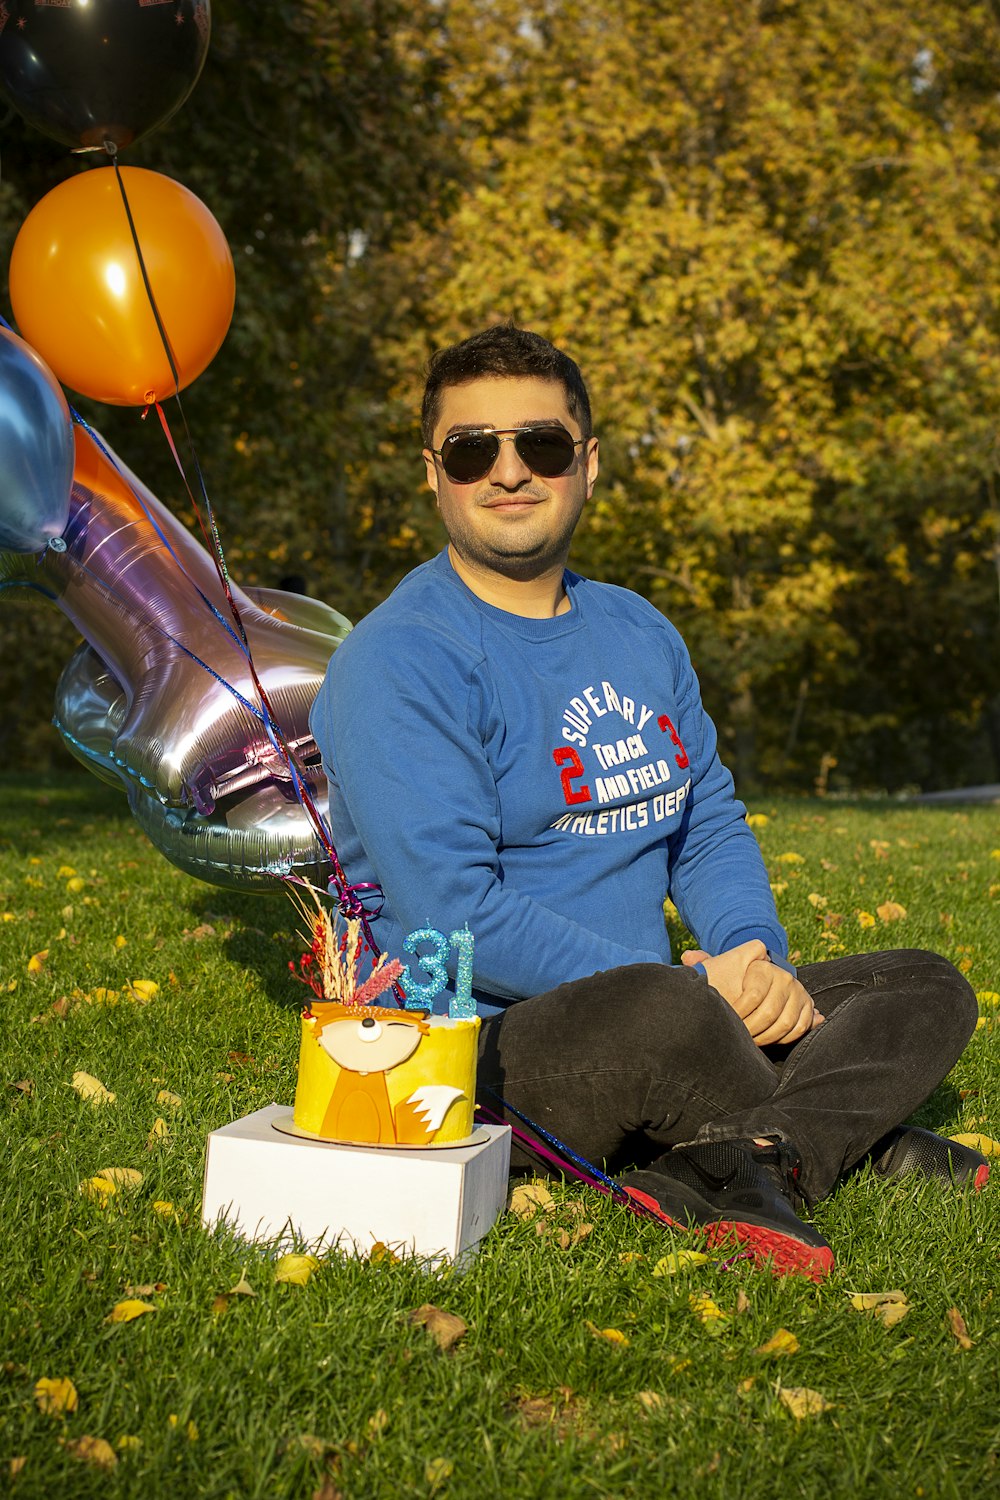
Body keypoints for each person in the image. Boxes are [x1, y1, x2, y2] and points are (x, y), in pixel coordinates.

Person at [309, 325, 985, 1279]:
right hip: (485, 1044)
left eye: (540, 444)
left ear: (587, 464)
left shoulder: (638, 628)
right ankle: (852, 1141)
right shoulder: (398, 660)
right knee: (659, 1020)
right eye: (473, 451)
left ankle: (756, 1154)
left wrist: (757, 967)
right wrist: (696, 995)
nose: (509, 472)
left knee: (924, 987)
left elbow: (705, 817)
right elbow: (450, 918)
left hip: (674, 996)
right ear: (435, 473)